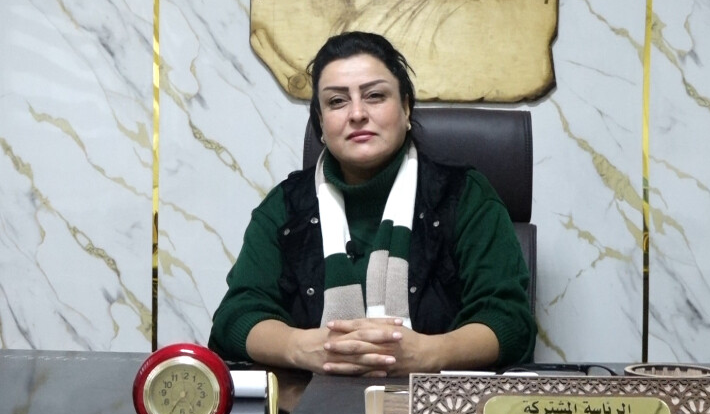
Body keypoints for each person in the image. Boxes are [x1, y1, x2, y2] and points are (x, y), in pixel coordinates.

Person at [210, 31, 534, 376]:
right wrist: (304, 348)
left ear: (406, 108)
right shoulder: (286, 207)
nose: (357, 113)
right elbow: (236, 317)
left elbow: (509, 321)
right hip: (307, 402)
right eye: (337, 101)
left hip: (437, 404)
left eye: (375, 96)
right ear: (320, 123)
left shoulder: (465, 195)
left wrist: (428, 354)